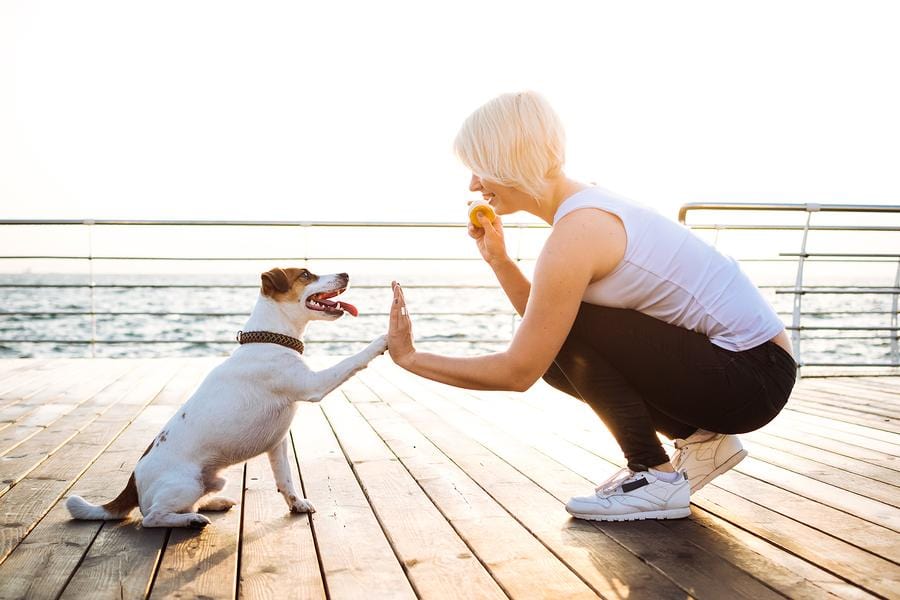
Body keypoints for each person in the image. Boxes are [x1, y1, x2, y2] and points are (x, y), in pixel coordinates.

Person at [387, 91, 797, 522]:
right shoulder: (586, 210)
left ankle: (654, 476)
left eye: (479, 167)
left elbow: (519, 370)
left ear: (510, 160)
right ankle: (703, 443)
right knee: (554, 336)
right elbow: (545, 322)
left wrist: (412, 359)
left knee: (551, 343)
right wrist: (500, 261)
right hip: (756, 370)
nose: (473, 184)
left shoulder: (577, 233)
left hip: (750, 378)